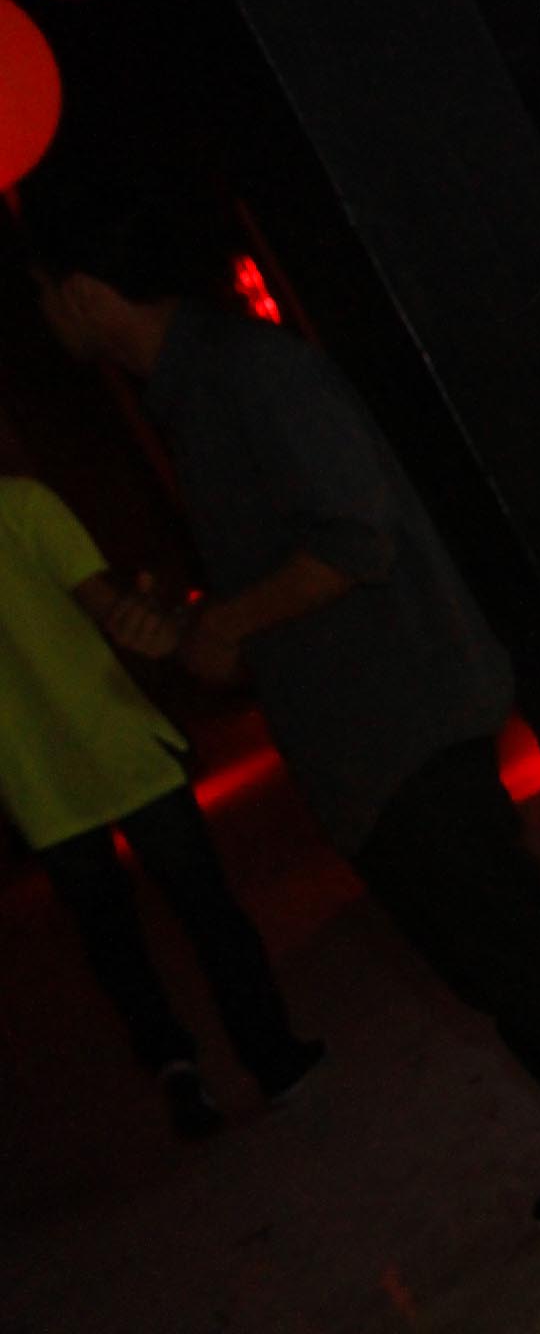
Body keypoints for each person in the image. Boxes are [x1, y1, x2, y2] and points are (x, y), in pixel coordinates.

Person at [17, 177, 540, 1296]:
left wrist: (227, 621)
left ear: (81, 289)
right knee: (484, 966)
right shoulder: (187, 389)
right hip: (357, 734)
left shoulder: (245, 370)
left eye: (42, 294)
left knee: (528, 954)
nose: (42, 318)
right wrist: (211, 635)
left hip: (406, 715)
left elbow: (354, 535)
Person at [0, 471, 319, 1137]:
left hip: (31, 773)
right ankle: (271, 1058)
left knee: (111, 938)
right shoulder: (22, 506)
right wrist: (156, 613)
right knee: (205, 907)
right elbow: (109, 609)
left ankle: (176, 1069)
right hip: (112, 735)